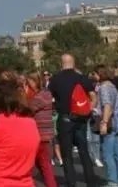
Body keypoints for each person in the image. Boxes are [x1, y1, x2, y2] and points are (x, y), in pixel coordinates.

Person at [47, 54, 97, 187]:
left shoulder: (55, 79)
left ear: (61, 63)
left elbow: (49, 98)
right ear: (74, 63)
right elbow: (93, 96)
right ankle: (91, 181)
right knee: (84, 151)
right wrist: (88, 110)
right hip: (81, 119)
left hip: (65, 119)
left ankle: (71, 182)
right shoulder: (82, 78)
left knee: (67, 154)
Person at [95, 67, 118, 187]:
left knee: (108, 154)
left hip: (110, 123)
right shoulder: (113, 87)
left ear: (100, 75)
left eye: (95, 74)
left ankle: (112, 181)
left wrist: (104, 122)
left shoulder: (104, 88)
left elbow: (107, 105)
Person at [24, 73, 57, 187]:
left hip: (41, 135)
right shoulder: (44, 94)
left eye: (30, 82)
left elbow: (27, 109)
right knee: (43, 166)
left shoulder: (42, 96)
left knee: (43, 166)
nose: (28, 85)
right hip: (41, 135)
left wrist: (25, 93)